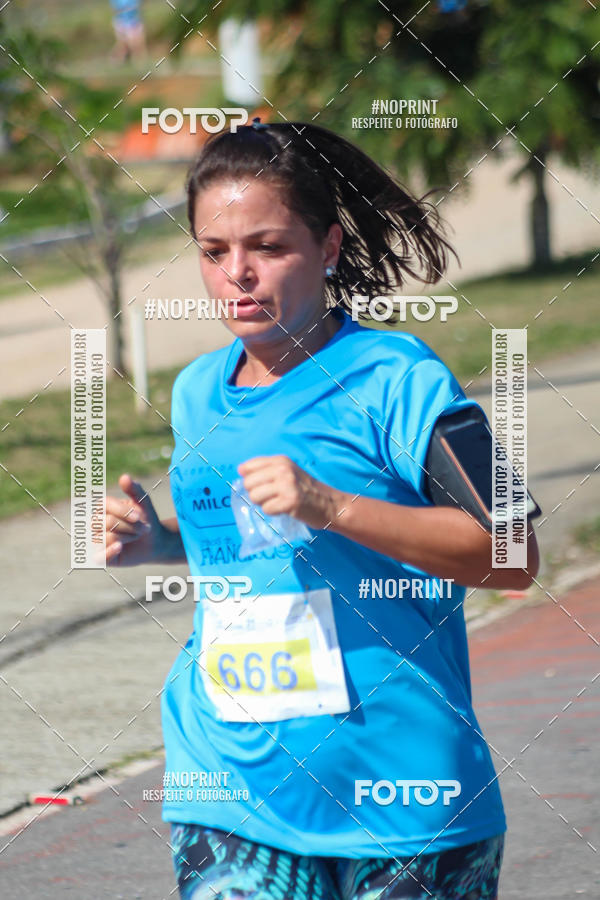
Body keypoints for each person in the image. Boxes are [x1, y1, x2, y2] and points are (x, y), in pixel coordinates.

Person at [105, 119, 540, 900]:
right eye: (214, 252)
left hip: (405, 799)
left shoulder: (398, 378)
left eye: (268, 247)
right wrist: (160, 543)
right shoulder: (196, 390)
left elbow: (512, 553)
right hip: (232, 788)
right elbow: (254, 546)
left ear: (329, 246)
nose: (238, 273)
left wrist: (332, 504)